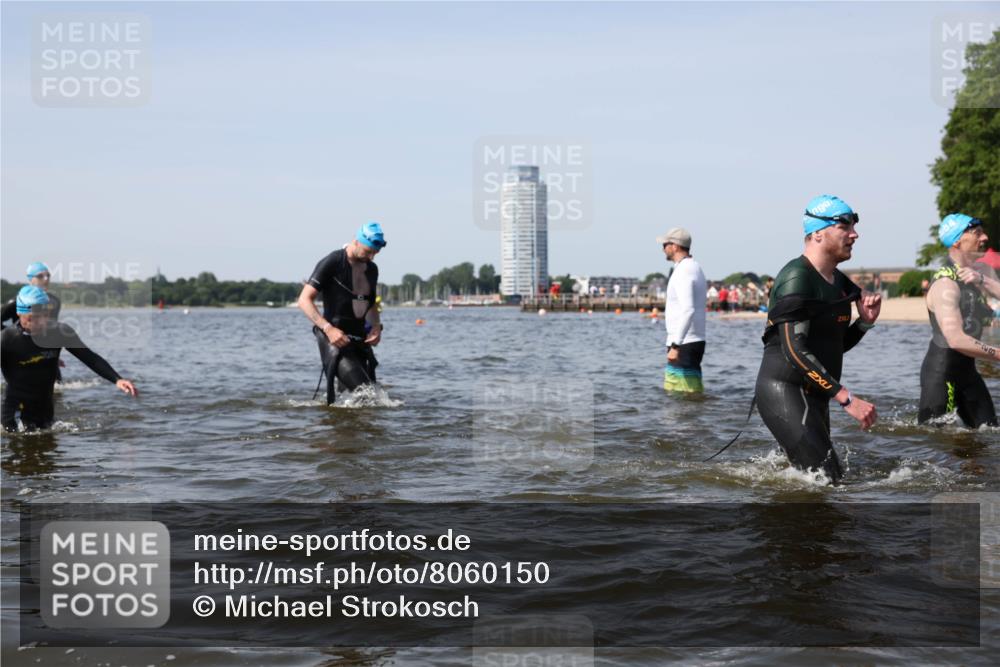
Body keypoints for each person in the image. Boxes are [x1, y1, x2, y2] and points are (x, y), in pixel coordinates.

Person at [754, 195, 880, 484]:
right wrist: (846, 399)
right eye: (844, 225)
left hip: (816, 393)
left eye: (854, 226)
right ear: (817, 233)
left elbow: (832, 347)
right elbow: (794, 351)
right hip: (784, 389)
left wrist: (864, 324)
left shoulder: (838, 282)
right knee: (828, 482)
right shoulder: (796, 277)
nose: (854, 234)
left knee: (823, 480)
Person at [1, 286, 137, 432]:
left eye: (43, 316)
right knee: (17, 446)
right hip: (14, 411)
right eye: (31, 318)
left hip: (45, 408)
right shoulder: (7, 339)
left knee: (47, 447)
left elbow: (90, 358)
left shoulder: (60, 333)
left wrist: (117, 379)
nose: (39, 322)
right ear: (19, 313)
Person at [918, 213, 1000, 427]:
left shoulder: (982, 271)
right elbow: (956, 340)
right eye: (977, 233)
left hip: (969, 373)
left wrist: (984, 281)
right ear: (957, 240)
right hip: (941, 374)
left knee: (989, 435)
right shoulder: (945, 284)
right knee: (934, 449)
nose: (985, 237)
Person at [298, 222, 386, 405]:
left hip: (359, 342)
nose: (371, 257)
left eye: (375, 253)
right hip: (334, 341)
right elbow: (304, 300)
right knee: (367, 396)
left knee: (348, 403)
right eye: (368, 251)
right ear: (356, 242)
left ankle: (340, 431)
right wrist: (328, 329)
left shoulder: (372, 269)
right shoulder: (333, 261)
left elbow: (370, 305)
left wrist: (376, 327)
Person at [656, 227, 707, 393]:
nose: (663, 248)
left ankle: (686, 419)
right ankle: (695, 418)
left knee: (678, 393)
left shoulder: (684, 270)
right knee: (690, 392)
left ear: (675, 246)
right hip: (691, 340)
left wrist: (675, 345)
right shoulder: (693, 267)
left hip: (684, 342)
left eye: (665, 244)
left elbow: (688, 309)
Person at [1, 262, 62, 329]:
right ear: (30, 279)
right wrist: (13, 334)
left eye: (48, 276)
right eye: (40, 276)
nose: (46, 279)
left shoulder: (55, 301)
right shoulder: (18, 301)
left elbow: (53, 326)